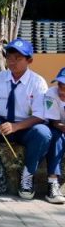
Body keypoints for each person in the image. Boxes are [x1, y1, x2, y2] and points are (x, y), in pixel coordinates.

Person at [0, 39, 52, 200]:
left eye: (18, 58)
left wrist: (16, 126)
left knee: (43, 132)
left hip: (26, 126)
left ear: (29, 60)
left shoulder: (37, 82)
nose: (12, 62)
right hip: (1, 124)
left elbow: (40, 115)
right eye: (9, 57)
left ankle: (28, 175)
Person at [38, 68, 65, 204]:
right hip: (56, 127)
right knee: (57, 138)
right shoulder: (51, 94)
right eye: (60, 85)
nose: (61, 90)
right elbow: (55, 122)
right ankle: (52, 184)